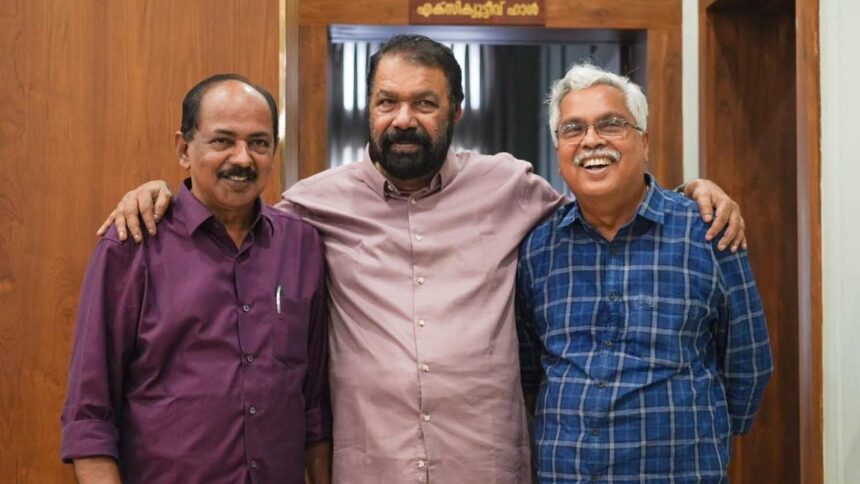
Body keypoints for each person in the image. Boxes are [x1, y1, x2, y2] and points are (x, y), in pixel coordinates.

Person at [98, 36, 747, 483]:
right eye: (388, 102)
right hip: (371, 470)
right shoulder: (312, 207)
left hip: (487, 469)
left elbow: (601, 196)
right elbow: (233, 207)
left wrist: (690, 193)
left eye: (424, 103)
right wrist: (160, 193)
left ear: (456, 112)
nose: (403, 118)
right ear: (369, 109)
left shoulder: (512, 188)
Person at [61, 74, 331, 484]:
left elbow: (313, 409)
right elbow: (89, 417)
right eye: (223, 141)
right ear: (184, 149)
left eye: (259, 143)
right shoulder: (132, 246)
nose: (243, 159)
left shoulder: (301, 246)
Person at [516, 64, 773, 483]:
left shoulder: (707, 231)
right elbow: (530, 372)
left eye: (611, 124)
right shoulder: (538, 248)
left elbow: (748, 360)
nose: (591, 140)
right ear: (559, 152)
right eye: (573, 129)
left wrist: (706, 435)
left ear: (644, 142)